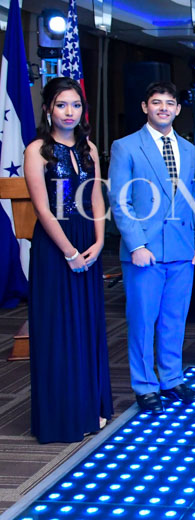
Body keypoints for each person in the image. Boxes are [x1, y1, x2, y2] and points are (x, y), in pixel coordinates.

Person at [109, 81, 195, 414]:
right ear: (145, 107)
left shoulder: (189, 149)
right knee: (142, 321)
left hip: (182, 249)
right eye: (156, 102)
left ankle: (171, 378)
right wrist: (136, 244)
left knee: (174, 320)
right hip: (145, 251)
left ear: (178, 109)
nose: (163, 108)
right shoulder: (126, 147)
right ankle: (144, 385)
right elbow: (120, 201)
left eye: (169, 103)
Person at [23, 76, 112, 442]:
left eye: (75, 105)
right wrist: (70, 252)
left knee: (87, 325)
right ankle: (63, 416)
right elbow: (43, 209)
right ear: (48, 109)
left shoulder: (88, 147)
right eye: (62, 105)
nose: (69, 112)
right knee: (58, 329)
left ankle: (89, 406)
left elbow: (96, 197)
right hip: (55, 245)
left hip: (87, 238)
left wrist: (100, 241)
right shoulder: (37, 150)